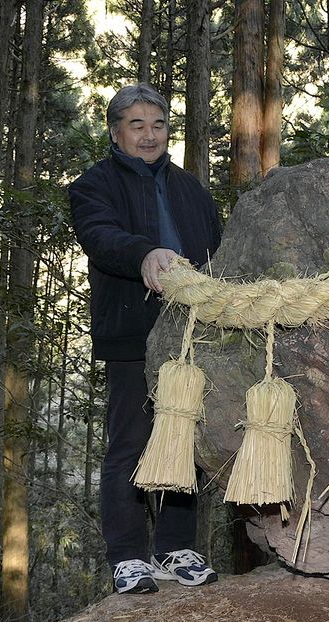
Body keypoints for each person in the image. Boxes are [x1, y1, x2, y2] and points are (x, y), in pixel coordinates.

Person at [69, 83, 222, 594]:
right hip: (131, 333)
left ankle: (176, 548)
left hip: (192, 333)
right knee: (130, 442)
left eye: (157, 124)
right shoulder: (94, 185)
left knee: (183, 434)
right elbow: (99, 236)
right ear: (116, 133)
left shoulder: (193, 191)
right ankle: (129, 557)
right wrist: (144, 254)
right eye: (136, 125)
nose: (149, 135)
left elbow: (219, 253)